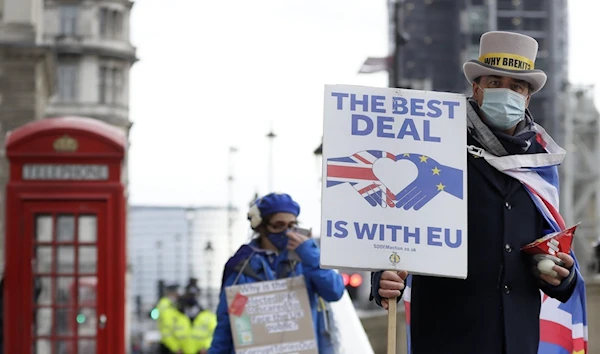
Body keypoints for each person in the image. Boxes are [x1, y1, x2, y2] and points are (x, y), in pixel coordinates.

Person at [370, 31, 583, 354]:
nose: (506, 92)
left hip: (517, 341)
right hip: (446, 336)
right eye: (495, 82)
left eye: (517, 86)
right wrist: (382, 276)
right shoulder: (435, 148)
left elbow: (548, 245)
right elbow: (395, 225)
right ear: (476, 88)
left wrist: (562, 275)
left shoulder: (541, 164)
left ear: (527, 98)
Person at [208, 193, 345, 353]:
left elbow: (334, 291)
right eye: (279, 225)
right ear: (262, 226)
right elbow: (228, 321)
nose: (286, 232)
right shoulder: (241, 266)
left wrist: (311, 255)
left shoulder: (306, 259)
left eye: (292, 225)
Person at [157, 283, 183, 354]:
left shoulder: (172, 305)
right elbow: (168, 328)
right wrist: (175, 347)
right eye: (176, 293)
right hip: (169, 344)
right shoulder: (167, 305)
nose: (178, 295)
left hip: (171, 343)